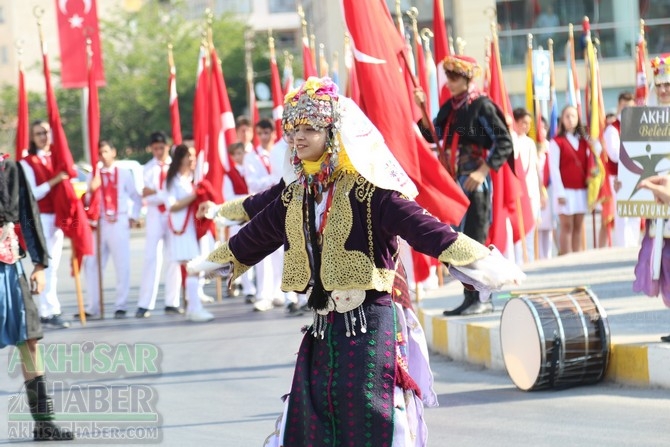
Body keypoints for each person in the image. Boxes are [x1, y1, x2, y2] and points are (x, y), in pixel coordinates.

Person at [189, 77, 524, 446]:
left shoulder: (369, 191)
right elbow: (256, 236)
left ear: (332, 134)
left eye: (310, 129)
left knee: (370, 414)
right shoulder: (297, 194)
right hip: (323, 327)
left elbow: (425, 229)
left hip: (369, 324)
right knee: (311, 414)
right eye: (294, 129)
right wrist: (215, 262)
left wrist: (481, 261)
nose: (298, 138)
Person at [414, 54, 514, 316]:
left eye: (455, 77)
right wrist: (422, 109)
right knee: (456, 243)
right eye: (448, 76)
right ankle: (469, 298)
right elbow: (430, 135)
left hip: (474, 183)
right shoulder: (450, 108)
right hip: (454, 186)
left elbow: (503, 141)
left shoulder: (481, 105)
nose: (450, 81)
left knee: (476, 241)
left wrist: (482, 171)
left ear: (468, 78)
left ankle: (483, 298)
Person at [0, 154, 74, 440]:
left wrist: (40, 264)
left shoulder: (9, 167)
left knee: (29, 341)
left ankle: (43, 422)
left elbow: (28, 215)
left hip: (9, 265)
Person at [18, 120, 70, 329]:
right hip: (38, 218)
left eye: (46, 132)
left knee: (54, 265)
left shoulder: (57, 159)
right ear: (32, 137)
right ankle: (48, 311)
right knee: (44, 265)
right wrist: (56, 179)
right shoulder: (27, 162)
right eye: (39, 133)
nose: (43, 137)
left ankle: (51, 307)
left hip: (56, 217)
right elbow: (34, 192)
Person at [82, 141, 143, 319]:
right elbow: (86, 201)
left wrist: (133, 216)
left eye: (106, 151)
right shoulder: (94, 175)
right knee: (92, 264)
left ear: (113, 152)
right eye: (100, 153)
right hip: (100, 223)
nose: (103, 156)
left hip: (119, 221)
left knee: (122, 264)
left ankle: (121, 304)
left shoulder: (123, 173)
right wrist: (91, 190)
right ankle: (94, 305)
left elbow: (136, 197)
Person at [633, 54, 670, 342]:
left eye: (668, 84)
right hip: (659, 209)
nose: (664, 90)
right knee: (662, 264)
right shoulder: (647, 119)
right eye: (660, 85)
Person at [164, 144, 214, 322]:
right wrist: (195, 195)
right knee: (193, 268)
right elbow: (172, 206)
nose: (193, 159)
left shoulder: (190, 179)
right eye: (189, 156)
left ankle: (193, 307)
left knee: (194, 268)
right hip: (180, 231)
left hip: (193, 229)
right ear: (181, 158)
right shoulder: (171, 181)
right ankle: (194, 308)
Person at [136, 131, 182, 318]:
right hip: (155, 215)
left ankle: (173, 301)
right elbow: (145, 194)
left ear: (168, 146)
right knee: (151, 258)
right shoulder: (146, 169)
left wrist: (156, 191)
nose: (158, 151)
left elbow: (176, 192)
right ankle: (145, 303)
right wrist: (162, 193)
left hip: (172, 213)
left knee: (174, 257)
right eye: (155, 148)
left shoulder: (176, 167)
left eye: (161, 148)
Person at [244, 119, 283, 312]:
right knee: (262, 254)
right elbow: (253, 183)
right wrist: (274, 181)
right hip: (260, 207)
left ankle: (279, 292)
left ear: (274, 134)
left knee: (279, 252)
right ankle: (263, 294)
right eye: (261, 133)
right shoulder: (250, 157)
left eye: (268, 132)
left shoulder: (279, 152)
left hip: (277, 206)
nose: (265, 136)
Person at [548, 105, 593, 255]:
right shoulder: (557, 141)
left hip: (581, 189)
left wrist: (593, 140)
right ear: (562, 120)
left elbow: (597, 154)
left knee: (578, 226)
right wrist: (560, 192)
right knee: (566, 226)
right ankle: (566, 257)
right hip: (565, 190)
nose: (570, 119)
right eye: (567, 116)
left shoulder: (584, 140)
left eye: (573, 116)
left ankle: (577, 257)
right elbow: (554, 168)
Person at [603, 92, 640, 248]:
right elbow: (614, 154)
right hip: (619, 177)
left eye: (630, 107)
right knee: (623, 213)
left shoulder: (638, 127)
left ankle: (633, 247)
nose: (627, 110)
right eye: (624, 106)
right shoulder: (613, 129)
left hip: (636, 175)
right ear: (619, 106)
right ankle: (623, 248)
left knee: (635, 212)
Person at [512, 107, 544, 264]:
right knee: (519, 229)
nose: (526, 126)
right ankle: (518, 261)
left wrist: (541, 192)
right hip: (517, 192)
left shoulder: (530, 143)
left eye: (528, 123)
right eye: (523, 123)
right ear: (515, 122)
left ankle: (529, 261)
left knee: (531, 228)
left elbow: (536, 170)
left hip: (532, 191)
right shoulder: (510, 140)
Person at [537, 116, 555, 259]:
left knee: (548, 227)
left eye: (543, 127)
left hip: (550, 189)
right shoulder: (533, 146)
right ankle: (538, 257)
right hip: (536, 191)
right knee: (537, 227)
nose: (541, 130)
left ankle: (547, 257)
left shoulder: (550, 146)